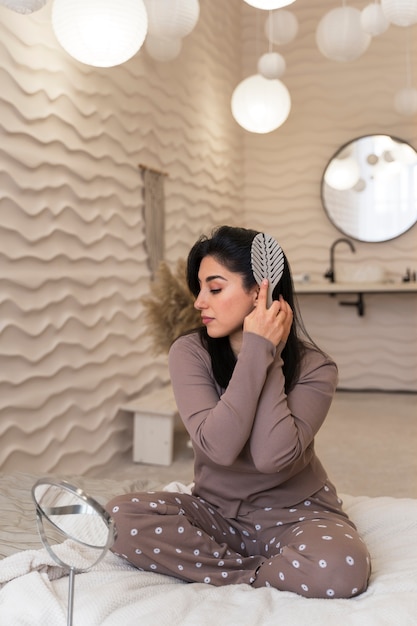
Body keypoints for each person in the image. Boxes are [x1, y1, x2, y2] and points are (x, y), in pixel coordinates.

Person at [106, 225, 371, 599]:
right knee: (119, 518)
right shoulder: (189, 353)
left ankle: (228, 569)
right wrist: (255, 352)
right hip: (216, 514)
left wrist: (266, 353)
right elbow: (219, 448)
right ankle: (258, 575)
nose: (199, 301)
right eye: (199, 288)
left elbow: (271, 457)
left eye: (214, 288)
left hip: (299, 514)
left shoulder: (316, 368)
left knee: (342, 568)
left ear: (260, 291)